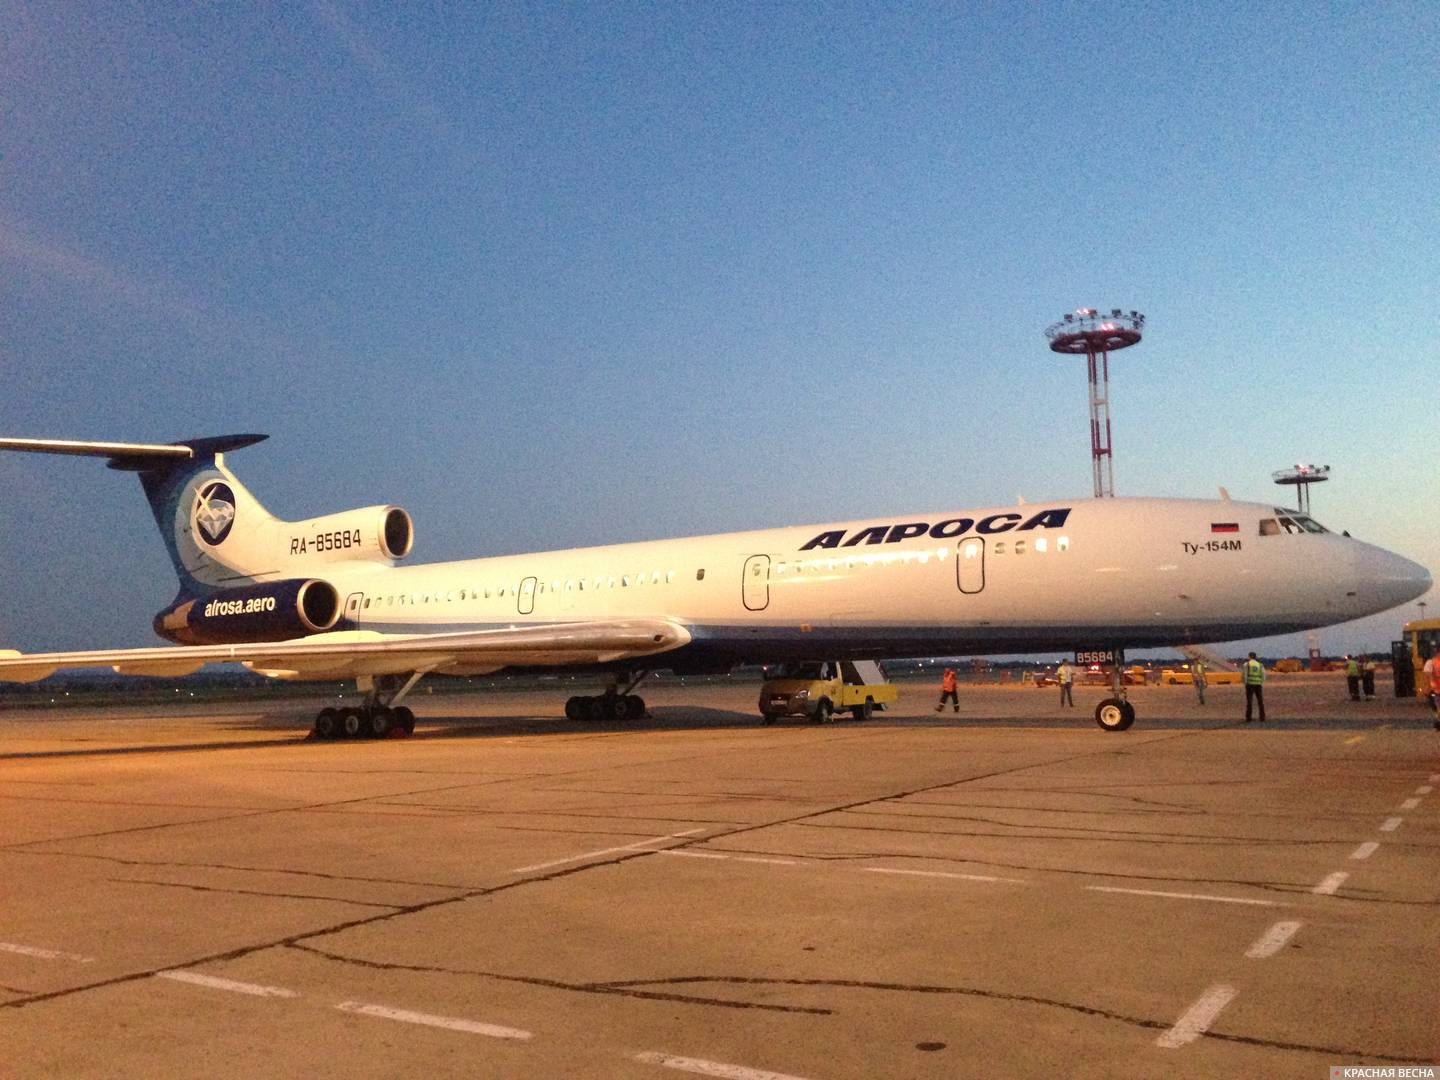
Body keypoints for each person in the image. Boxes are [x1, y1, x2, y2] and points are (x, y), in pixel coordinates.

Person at [1242, 651, 1266, 722]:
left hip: (1250, 684)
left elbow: (1245, 675)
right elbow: (1263, 675)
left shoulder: (1247, 664)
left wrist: (1245, 682)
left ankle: (1248, 717)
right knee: (1260, 701)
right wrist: (1261, 682)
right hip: (1258, 684)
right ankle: (1262, 717)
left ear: (1249, 656)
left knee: (1249, 701)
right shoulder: (1260, 664)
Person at [1424, 651, 1440, 731]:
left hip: (1436, 690)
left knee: (1437, 708)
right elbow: (1428, 675)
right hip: (1435, 690)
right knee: (1436, 708)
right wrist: (1428, 687)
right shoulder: (1431, 662)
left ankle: (1437, 724)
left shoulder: (1431, 662)